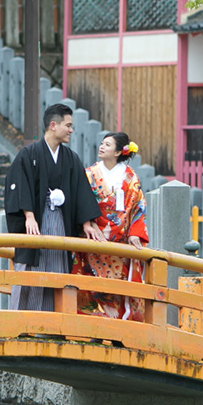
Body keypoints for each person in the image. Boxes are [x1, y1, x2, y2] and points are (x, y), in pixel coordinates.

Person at [5, 103, 104, 311]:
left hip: (60, 221)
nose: (71, 130)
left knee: (58, 267)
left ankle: (54, 325)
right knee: (32, 268)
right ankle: (24, 321)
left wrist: (86, 222)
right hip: (36, 222)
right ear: (53, 125)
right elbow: (19, 184)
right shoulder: (28, 154)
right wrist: (29, 216)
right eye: (68, 125)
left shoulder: (70, 158)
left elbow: (80, 190)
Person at [72, 131, 150, 320]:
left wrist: (134, 233)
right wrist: (88, 223)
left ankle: (121, 326)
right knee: (91, 280)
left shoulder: (130, 177)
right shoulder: (89, 174)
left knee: (121, 282)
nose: (101, 147)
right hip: (94, 235)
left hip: (121, 240)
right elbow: (80, 201)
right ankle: (95, 324)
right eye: (101, 143)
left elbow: (138, 207)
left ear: (118, 152)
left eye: (107, 145)